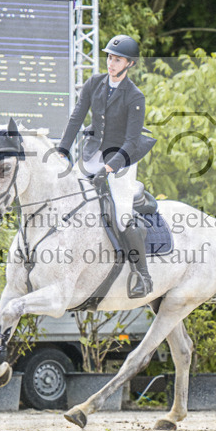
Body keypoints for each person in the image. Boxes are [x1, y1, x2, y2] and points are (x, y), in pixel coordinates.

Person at [57, 34, 156, 298]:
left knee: (122, 216)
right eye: (110, 58)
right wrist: (63, 149)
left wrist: (109, 168)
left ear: (129, 64)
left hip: (122, 159)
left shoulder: (135, 96)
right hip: (92, 153)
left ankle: (143, 276)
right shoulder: (94, 83)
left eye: (117, 59)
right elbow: (77, 116)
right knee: (69, 198)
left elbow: (132, 141)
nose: (111, 63)